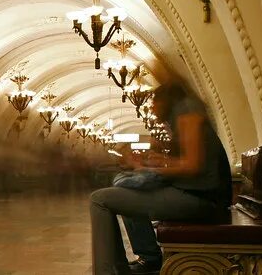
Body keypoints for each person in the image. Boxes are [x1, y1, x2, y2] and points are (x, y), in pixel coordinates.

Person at [89, 79, 232, 275]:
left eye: (153, 102)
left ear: (164, 100)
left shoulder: (187, 110)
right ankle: (145, 259)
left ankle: (106, 271)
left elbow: (192, 166)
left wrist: (148, 169)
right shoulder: (179, 115)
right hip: (197, 194)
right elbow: (187, 162)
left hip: (203, 199)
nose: (151, 108)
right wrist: (156, 162)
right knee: (127, 193)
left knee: (99, 199)